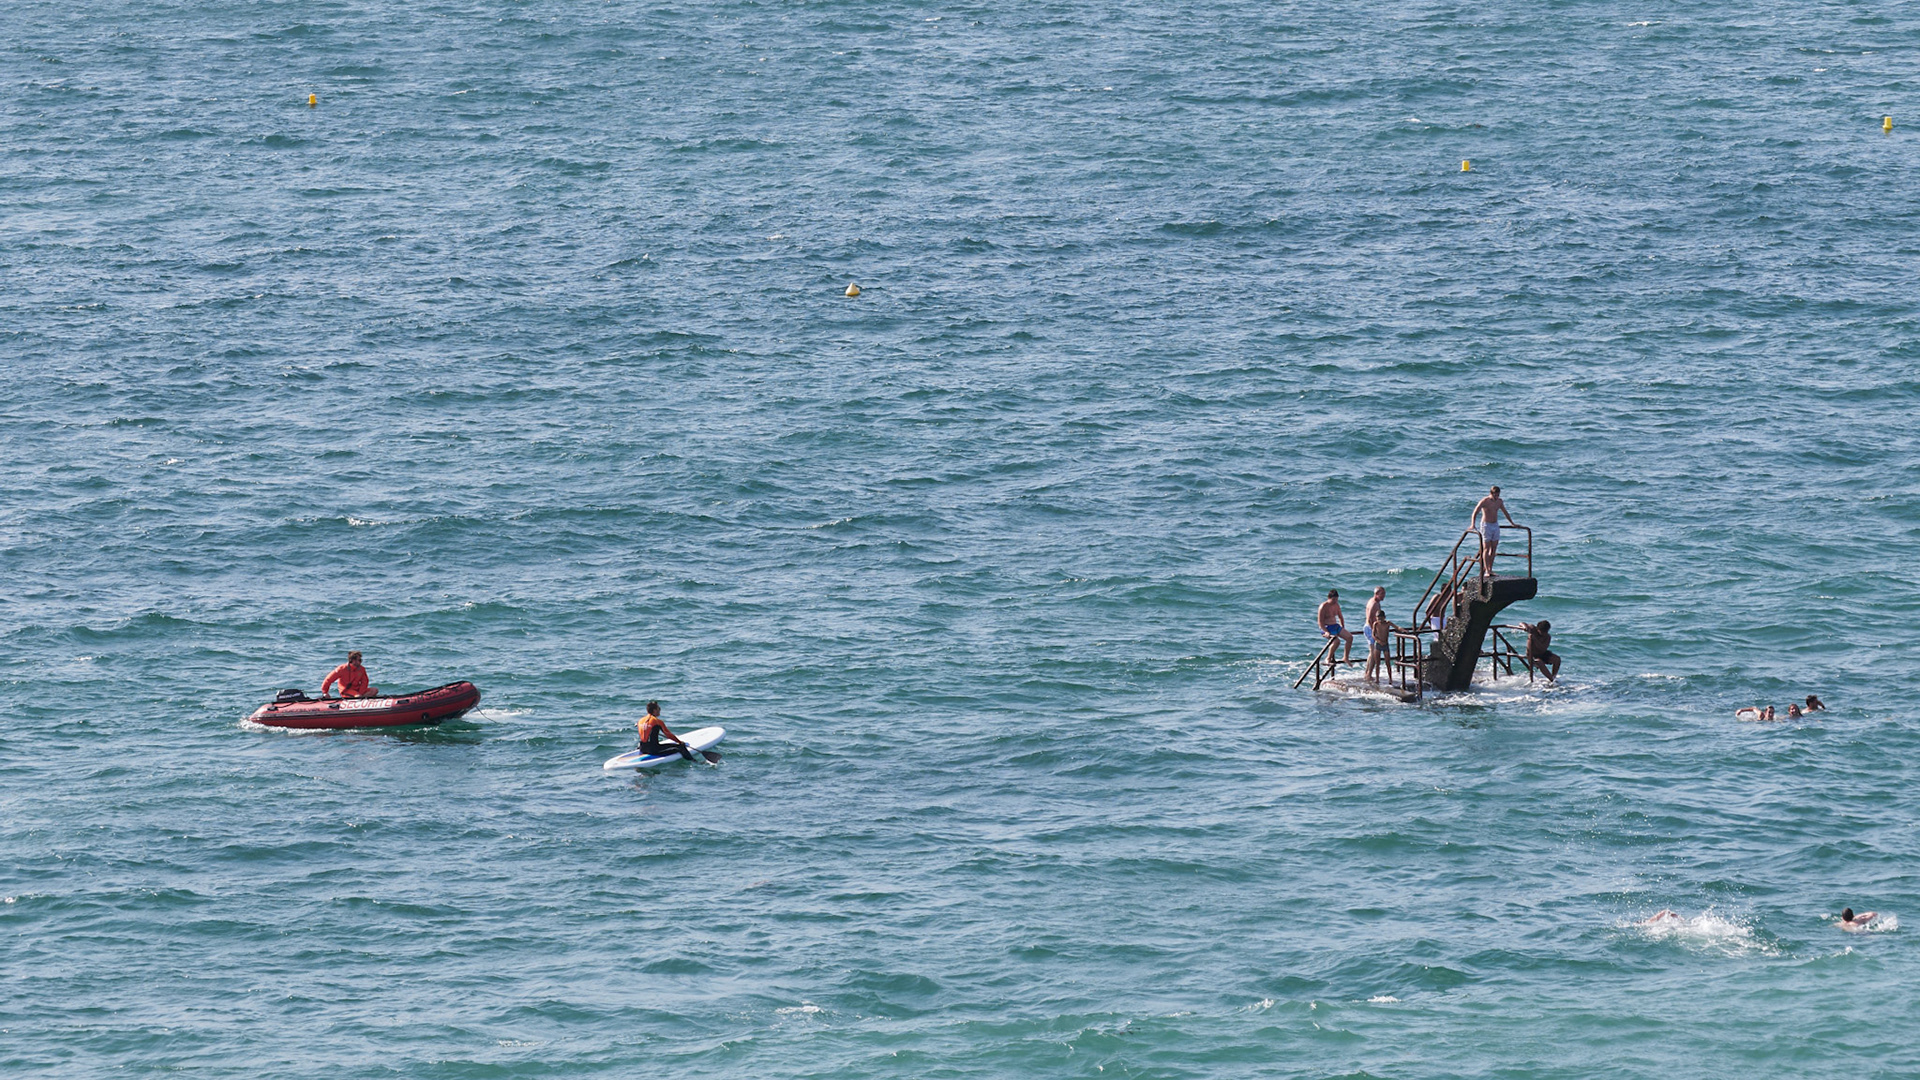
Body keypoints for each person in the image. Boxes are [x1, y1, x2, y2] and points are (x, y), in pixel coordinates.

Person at [1470, 486, 1517, 582]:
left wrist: (1512, 523)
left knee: (1494, 548)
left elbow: (1505, 512)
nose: (1496, 497)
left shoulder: (1499, 501)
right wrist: (1472, 524)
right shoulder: (1485, 501)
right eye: (1495, 495)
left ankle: (1490, 569)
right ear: (1491, 493)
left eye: (1498, 495)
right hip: (1486, 525)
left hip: (1495, 525)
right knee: (1486, 548)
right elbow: (1475, 512)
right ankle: (1486, 570)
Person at [1317, 589, 1355, 665]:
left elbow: (1340, 617)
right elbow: (1320, 622)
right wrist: (1326, 631)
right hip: (1326, 627)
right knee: (1336, 641)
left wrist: (1343, 627)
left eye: (1336, 600)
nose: (1335, 601)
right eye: (1333, 600)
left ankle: (1345, 657)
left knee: (1350, 637)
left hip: (1335, 626)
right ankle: (1328, 659)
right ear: (1329, 598)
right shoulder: (1323, 606)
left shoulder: (1336, 605)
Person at [1363, 587, 1390, 684]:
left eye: (1384, 594)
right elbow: (1370, 618)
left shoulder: (1375, 602)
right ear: (1377, 594)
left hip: (1370, 627)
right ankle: (1368, 674)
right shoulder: (1374, 603)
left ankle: (1367, 673)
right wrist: (1374, 630)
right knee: (1374, 652)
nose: (1384, 596)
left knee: (1372, 652)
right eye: (1382, 594)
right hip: (1370, 628)